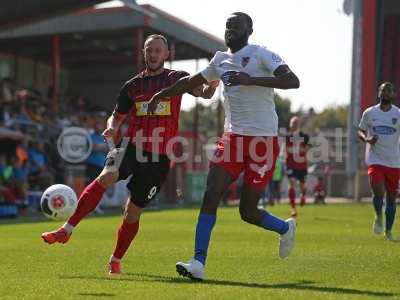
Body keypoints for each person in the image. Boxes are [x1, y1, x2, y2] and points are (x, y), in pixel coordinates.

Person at [41, 34, 218, 274]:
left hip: (158, 158)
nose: (153, 54)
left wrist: (215, 81)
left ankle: (115, 259)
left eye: (157, 50)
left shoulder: (178, 79)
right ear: (143, 53)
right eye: (149, 50)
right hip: (130, 146)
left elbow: (205, 93)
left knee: (131, 213)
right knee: (106, 176)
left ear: (166, 55)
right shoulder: (133, 86)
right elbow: (117, 113)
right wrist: (112, 126)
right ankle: (66, 229)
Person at [148, 12, 300, 280]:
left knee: (247, 211)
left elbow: (292, 81)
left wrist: (250, 80)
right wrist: (161, 94)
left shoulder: (262, 54)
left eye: (236, 25)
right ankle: (198, 262)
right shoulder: (220, 59)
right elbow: (189, 83)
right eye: (228, 25)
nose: (230, 28)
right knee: (211, 194)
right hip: (232, 138)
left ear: (249, 29)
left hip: (263, 141)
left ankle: (285, 228)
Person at [358, 82, 400, 241]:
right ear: (379, 93)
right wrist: (367, 139)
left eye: (389, 90)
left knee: (391, 197)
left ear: (393, 94)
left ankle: (388, 231)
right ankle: (378, 215)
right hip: (375, 160)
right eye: (383, 90)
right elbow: (360, 130)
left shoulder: (398, 114)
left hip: (394, 162)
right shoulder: (370, 113)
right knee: (378, 191)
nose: (386, 93)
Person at [285, 116, 311, 217]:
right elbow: (288, 150)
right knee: (291, 183)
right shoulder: (288, 136)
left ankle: (303, 195)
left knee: (302, 186)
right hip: (291, 165)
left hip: (302, 166)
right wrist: (300, 150)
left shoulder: (304, 136)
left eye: (295, 123)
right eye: (292, 123)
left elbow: (307, 148)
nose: (293, 125)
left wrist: (298, 150)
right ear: (290, 125)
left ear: (298, 124)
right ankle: (293, 209)